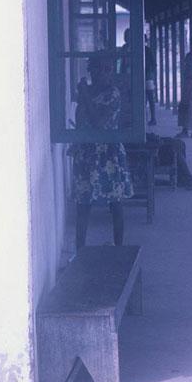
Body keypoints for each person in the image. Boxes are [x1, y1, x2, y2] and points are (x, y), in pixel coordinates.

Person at [70, 56, 134, 249]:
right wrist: (83, 98)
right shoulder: (87, 92)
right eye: (98, 70)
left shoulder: (112, 93)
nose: (103, 74)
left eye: (107, 70)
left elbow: (99, 123)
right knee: (83, 204)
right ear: (91, 72)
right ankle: (79, 251)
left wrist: (85, 96)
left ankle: (118, 248)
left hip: (109, 152)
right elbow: (80, 119)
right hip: (88, 152)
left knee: (115, 203)